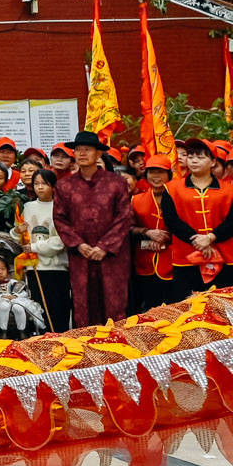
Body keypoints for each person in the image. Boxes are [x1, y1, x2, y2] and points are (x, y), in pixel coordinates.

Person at [54, 130, 133, 326]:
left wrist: (104, 246)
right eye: (78, 150)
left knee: (114, 304)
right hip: (81, 256)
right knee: (83, 305)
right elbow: (60, 219)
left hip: (112, 256)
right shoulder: (65, 186)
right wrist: (78, 245)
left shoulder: (116, 183)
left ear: (98, 154)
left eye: (87, 150)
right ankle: (86, 350)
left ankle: (118, 348)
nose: (82, 154)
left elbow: (124, 216)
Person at [161, 137, 233, 293]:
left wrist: (211, 237)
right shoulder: (171, 189)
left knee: (222, 306)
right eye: (190, 156)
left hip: (225, 257)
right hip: (186, 258)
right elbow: (172, 221)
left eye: (200, 157)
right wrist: (197, 240)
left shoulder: (229, 190)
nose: (194, 160)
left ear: (213, 161)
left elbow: (231, 221)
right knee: (187, 308)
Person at [129, 154, 187, 311]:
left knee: (175, 309)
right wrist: (147, 234)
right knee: (149, 309)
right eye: (152, 172)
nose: (156, 176)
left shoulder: (180, 198)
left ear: (169, 174)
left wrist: (167, 240)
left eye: (160, 172)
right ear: (146, 174)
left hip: (174, 261)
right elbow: (128, 229)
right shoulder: (136, 199)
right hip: (144, 262)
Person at [19, 170, 70, 332]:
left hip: (56, 267)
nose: (40, 187)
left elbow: (60, 241)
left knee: (57, 310)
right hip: (34, 267)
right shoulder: (27, 207)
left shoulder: (61, 208)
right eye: (36, 184)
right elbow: (21, 234)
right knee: (37, 311)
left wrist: (34, 247)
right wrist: (17, 231)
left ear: (54, 186)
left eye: (44, 184)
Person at [0, 248, 48, 339]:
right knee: (4, 305)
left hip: (14, 300)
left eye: (3, 269)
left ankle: (22, 330)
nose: (0, 272)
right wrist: (1, 296)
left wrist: (15, 296)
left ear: (7, 270)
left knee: (18, 307)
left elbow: (24, 294)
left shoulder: (13, 282)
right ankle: (3, 331)